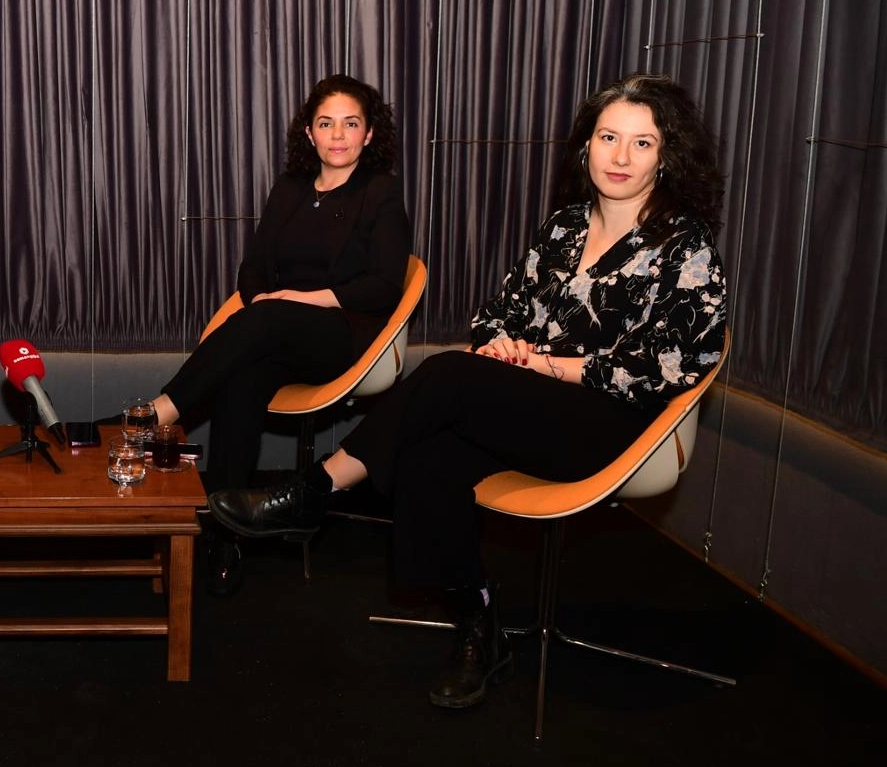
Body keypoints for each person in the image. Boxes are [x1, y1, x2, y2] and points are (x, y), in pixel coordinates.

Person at [208, 72, 729, 710]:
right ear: (585, 146)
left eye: (642, 143)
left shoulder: (684, 247)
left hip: (612, 426)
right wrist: (504, 345)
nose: (620, 156)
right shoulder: (564, 229)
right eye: (607, 137)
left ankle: (314, 490)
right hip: (525, 407)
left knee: (449, 374)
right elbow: (495, 315)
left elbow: (672, 365)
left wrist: (549, 365)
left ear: (667, 155)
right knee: (428, 458)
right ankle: (478, 621)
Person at [151, 74, 411, 594]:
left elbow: (384, 285)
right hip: (273, 334)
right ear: (309, 133)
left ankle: (155, 414)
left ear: (368, 134)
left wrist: (296, 301)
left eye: (351, 124)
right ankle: (226, 532)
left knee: (265, 321)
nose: (338, 135)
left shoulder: (379, 192)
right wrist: (262, 306)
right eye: (326, 123)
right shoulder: (290, 189)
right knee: (242, 375)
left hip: (344, 335)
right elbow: (252, 271)